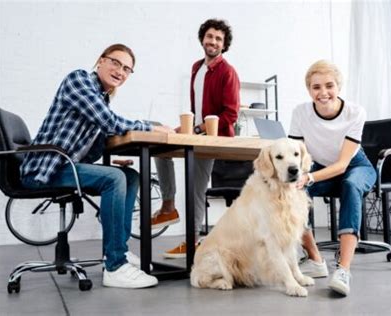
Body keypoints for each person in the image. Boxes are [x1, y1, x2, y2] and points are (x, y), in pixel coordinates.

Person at [20, 43, 173, 289]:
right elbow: (108, 121)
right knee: (114, 178)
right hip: (46, 169)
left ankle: (116, 251)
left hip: (66, 165)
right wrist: (151, 126)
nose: (120, 71)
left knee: (129, 176)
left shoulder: (100, 96)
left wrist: (110, 158)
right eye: (115, 62)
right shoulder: (79, 80)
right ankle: (115, 266)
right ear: (100, 61)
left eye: (127, 69)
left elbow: (89, 145)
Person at [151, 18, 240, 258]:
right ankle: (168, 206)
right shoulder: (196, 68)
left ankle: (194, 243)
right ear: (202, 38)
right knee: (159, 140)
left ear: (224, 44)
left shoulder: (227, 72)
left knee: (196, 189)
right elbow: (197, 107)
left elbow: (230, 114)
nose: (213, 41)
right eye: (210, 36)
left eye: (218, 39)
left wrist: (198, 129)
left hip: (213, 138)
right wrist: (186, 128)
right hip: (198, 132)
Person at [289, 60, 377, 296]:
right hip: (322, 167)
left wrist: (309, 177)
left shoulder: (355, 113)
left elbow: (342, 165)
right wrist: (293, 179)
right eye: (316, 87)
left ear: (338, 87)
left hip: (357, 166)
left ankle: (343, 270)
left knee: (350, 184)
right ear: (309, 90)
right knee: (294, 191)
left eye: (329, 85)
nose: (323, 92)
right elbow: (297, 155)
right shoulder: (300, 113)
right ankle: (316, 260)